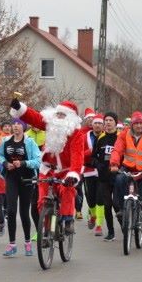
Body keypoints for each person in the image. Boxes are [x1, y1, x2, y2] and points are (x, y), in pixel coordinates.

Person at [11, 98, 84, 235]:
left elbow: (78, 156)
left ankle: (68, 220)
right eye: (58, 114)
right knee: (42, 200)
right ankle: (47, 229)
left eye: (63, 115)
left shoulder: (76, 133)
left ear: (70, 118)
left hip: (66, 171)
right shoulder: (51, 124)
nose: (59, 117)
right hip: (47, 168)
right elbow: (35, 117)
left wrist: (74, 174)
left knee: (67, 190)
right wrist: (19, 107)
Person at [109, 110, 142, 240]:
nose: (138, 126)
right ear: (131, 124)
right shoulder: (124, 134)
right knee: (119, 180)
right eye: (136, 124)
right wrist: (114, 164)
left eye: (141, 123)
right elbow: (117, 149)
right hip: (128, 168)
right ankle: (122, 209)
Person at [0, 119, 41, 257]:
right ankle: (12, 245)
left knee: (23, 212)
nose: (15, 126)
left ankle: (27, 243)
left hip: (26, 179)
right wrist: (5, 164)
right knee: (11, 210)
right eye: (13, 124)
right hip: (11, 178)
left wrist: (22, 163)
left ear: (23, 126)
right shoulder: (5, 141)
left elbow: (37, 161)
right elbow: (0, 154)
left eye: (18, 124)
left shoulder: (30, 142)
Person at [93, 112, 120, 241]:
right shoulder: (100, 138)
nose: (108, 122)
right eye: (106, 120)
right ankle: (111, 232)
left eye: (111, 120)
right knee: (107, 205)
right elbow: (93, 156)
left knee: (117, 204)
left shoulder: (121, 137)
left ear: (115, 122)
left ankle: (125, 226)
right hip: (103, 177)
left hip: (118, 175)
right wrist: (97, 164)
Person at [83, 115, 105, 233]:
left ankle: (99, 225)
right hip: (89, 171)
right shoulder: (85, 137)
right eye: (95, 123)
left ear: (103, 125)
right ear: (92, 125)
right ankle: (93, 214)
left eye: (100, 123)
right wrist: (90, 152)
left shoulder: (106, 136)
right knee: (91, 198)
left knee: (100, 198)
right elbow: (80, 153)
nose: (97, 125)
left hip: (102, 171)